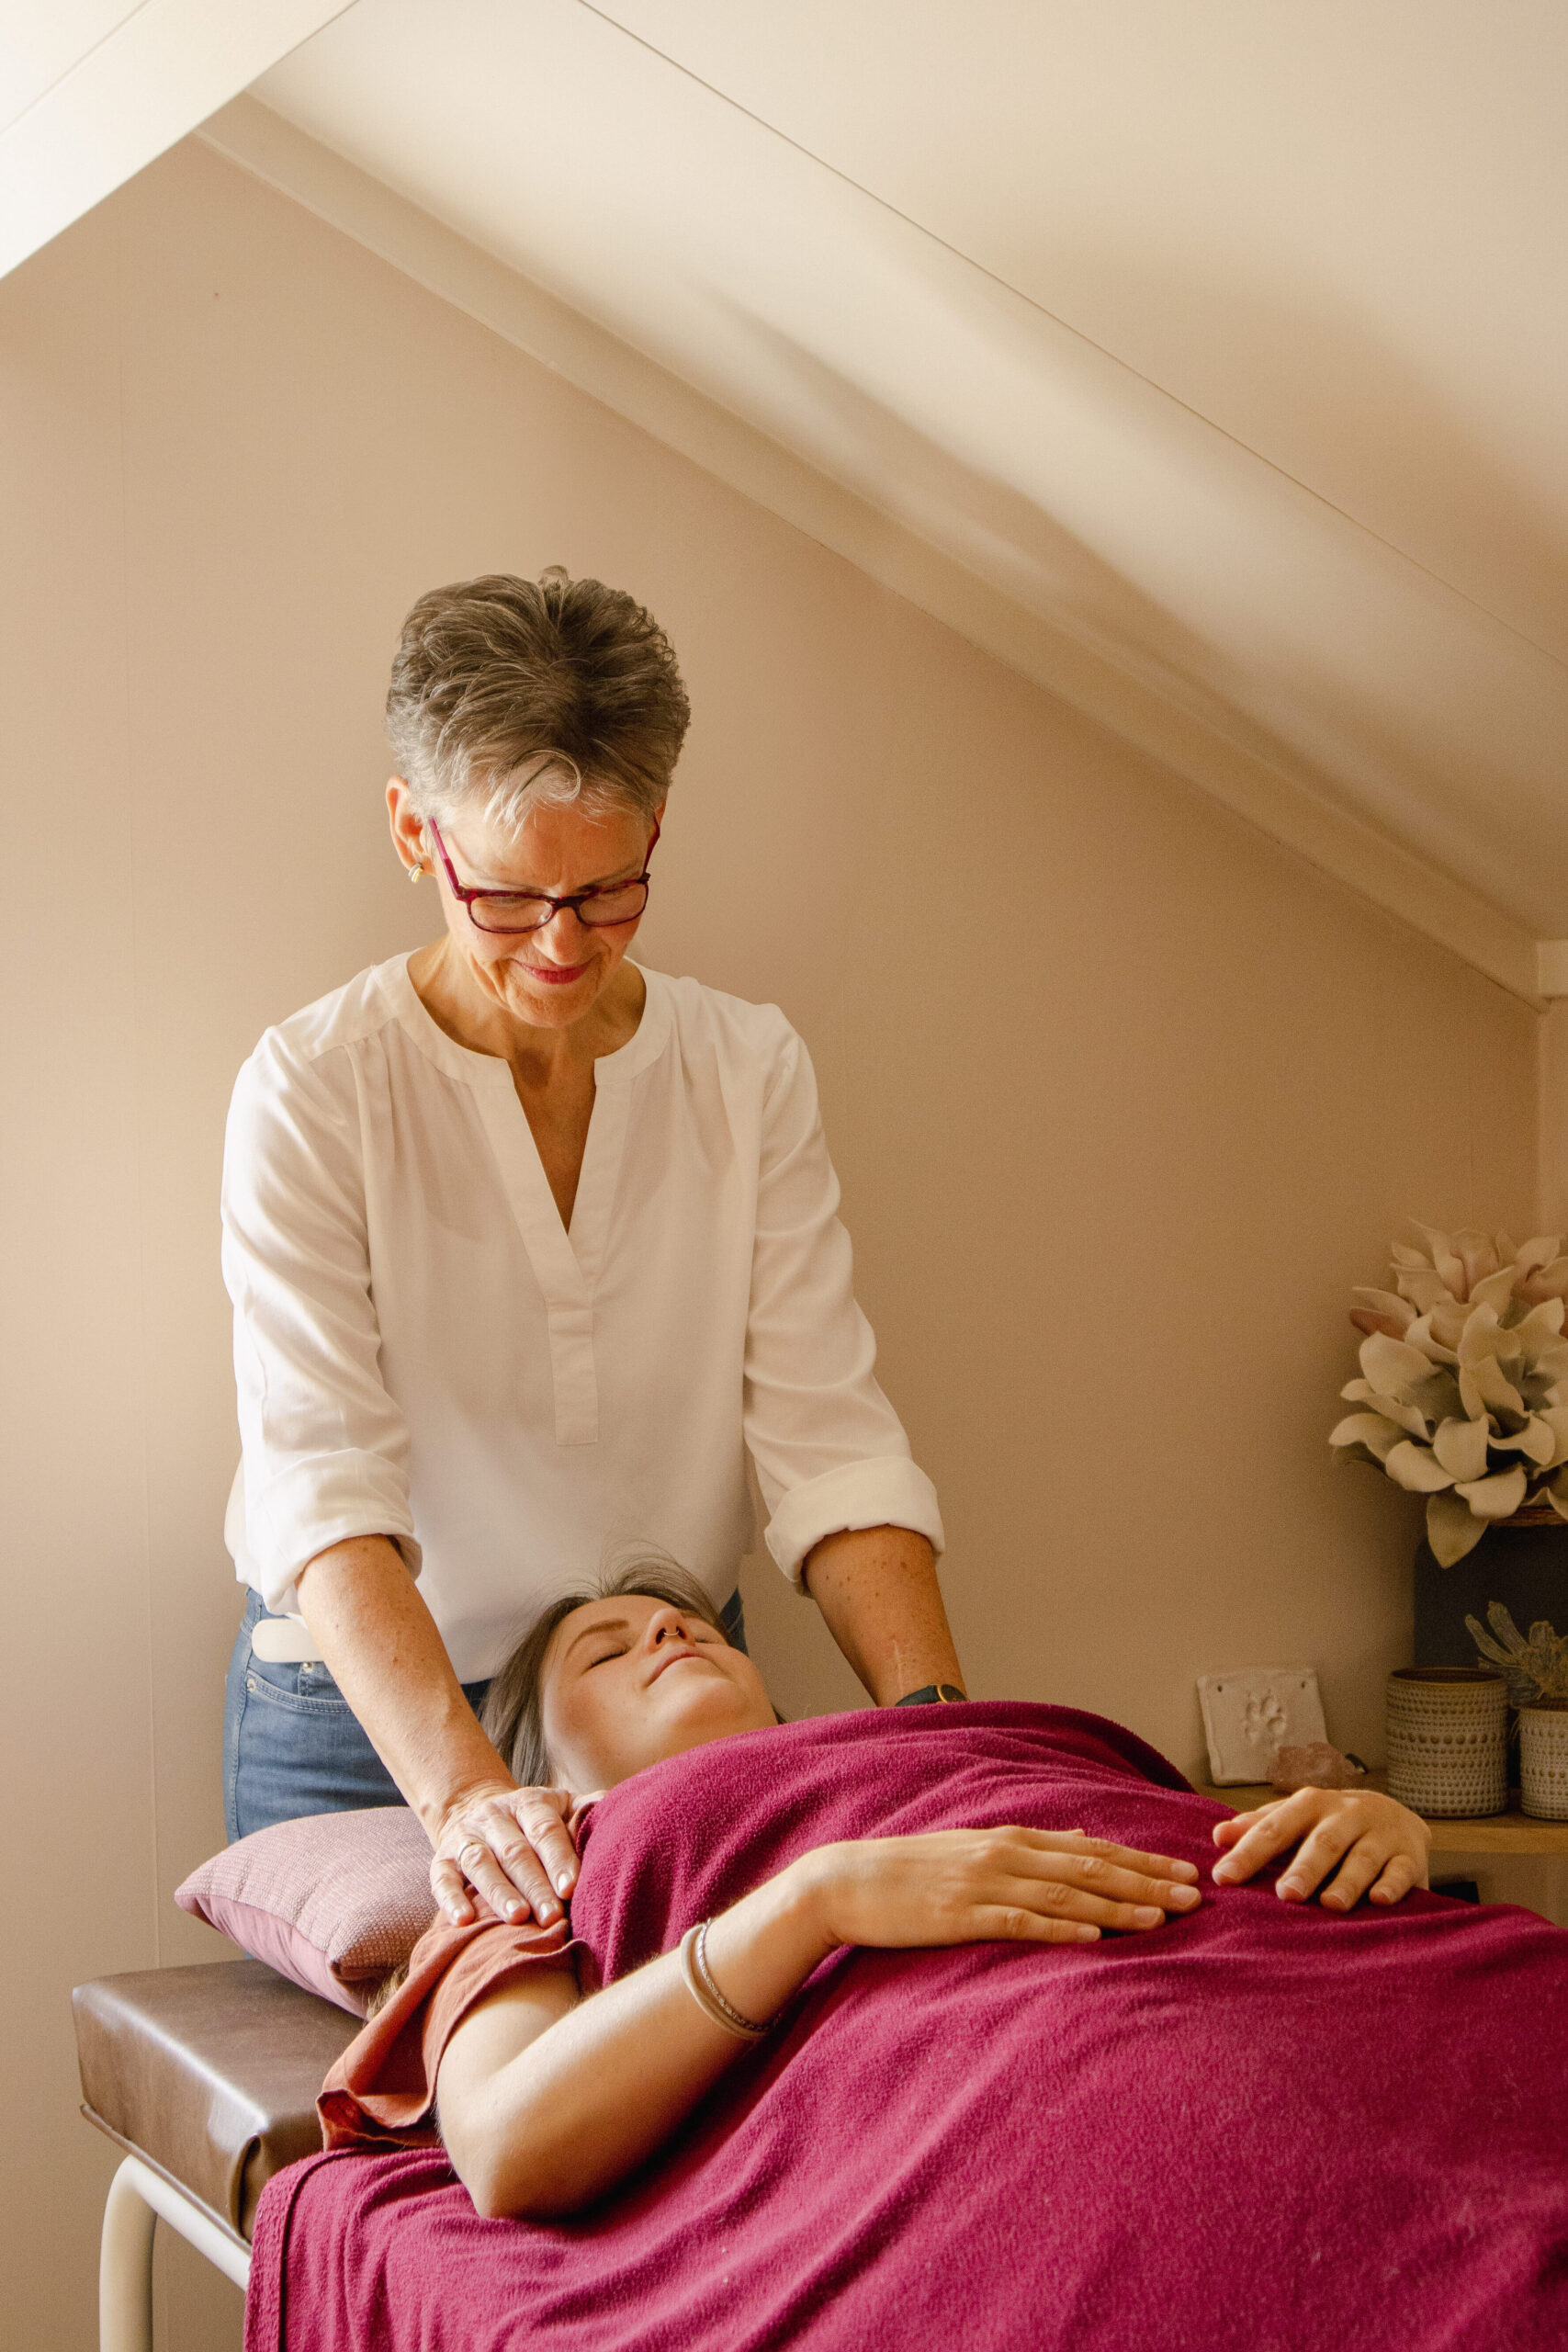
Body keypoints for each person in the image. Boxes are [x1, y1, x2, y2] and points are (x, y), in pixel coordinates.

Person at [263, 1568, 1568, 2352]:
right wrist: (818, 1901)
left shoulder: (991, 1742)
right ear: (546, 1774)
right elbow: (506, 2143)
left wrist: (1378, 1829)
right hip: (1051, 2050)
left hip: (1329, 1966)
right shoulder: (544, 1862)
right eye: (607, 1650)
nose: (668, 1633)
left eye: (686, 1625)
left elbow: (1193, 1841)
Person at [221, 569, 959, 1933]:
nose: (562, 945)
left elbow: (829, 1440)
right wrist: (464, 1802)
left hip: (660, 1696)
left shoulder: (744, 1067)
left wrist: (942, 1736)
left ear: (659, 825)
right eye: (505, 897)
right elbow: (322, 1494)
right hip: (380, 1723)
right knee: (450, 2125)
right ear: (411, 832)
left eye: (609, 888)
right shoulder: (314, 1088)